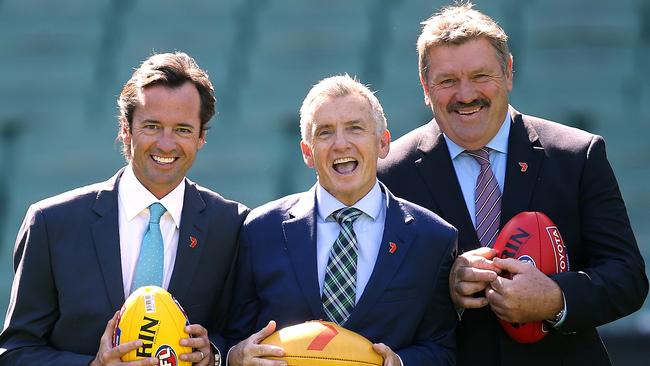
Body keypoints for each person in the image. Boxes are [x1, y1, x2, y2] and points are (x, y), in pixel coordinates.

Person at [377, 3, 648, 366]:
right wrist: (448, 292)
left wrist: (554, 297)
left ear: (508, 73)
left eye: (480, 76)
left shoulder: (576, 155)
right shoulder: (391, 173)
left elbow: (627, 278)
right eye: (447, 81)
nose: (466, 94)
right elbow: (381, 300)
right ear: (426, 87)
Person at [0, 52, 248, 366]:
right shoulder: (51, 224)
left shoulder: (232, 225)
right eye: (152, 126)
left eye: (183, 130)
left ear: (201, 138)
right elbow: (16, 352)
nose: (166, 144)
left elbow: (240, 336)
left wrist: (212, 354)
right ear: (126, 130)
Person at [225, 74, 458, 366]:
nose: (340, 144)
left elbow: (443, 350)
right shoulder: (260, 230)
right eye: (324, 132)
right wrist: (236, 356)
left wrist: (399, 362)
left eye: (355, 129)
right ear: (307, 152)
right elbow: (231, 336)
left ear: (383, 143)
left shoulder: (432, 238)